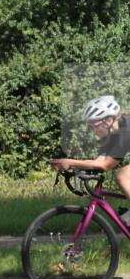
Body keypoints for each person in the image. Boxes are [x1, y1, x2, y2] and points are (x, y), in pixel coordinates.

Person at [50, 95, 130, 226]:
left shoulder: (127, 130)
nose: (94, 130)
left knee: (122, 175)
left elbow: (105, 165)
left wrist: (71, 162)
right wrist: (72, 165)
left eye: (96, 125)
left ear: (109, 120)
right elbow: (98, 162)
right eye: (90, 127)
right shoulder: (112, 135)